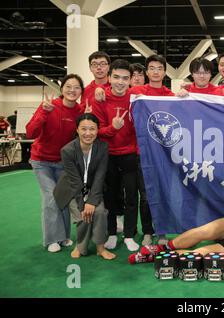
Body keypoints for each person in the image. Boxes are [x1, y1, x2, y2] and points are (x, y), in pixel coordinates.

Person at [26, 74, 84, 252]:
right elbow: (30, 132)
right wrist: (43, 112)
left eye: (76, 87)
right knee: (51, 197)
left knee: (62, 199)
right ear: (61, 89)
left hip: (62, 162)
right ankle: (52, 239)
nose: (72, 90)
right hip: (41, 161)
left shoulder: (80, 111)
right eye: (68, 86)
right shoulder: (49, 106)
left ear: (81, 91)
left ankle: (64, 236)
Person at [91, 59, 140, 251]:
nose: (120, 82)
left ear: (130, 80)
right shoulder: (100, 99)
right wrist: (114, 128)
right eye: (117, 77)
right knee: (110, 197)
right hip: (108, 156)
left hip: (129, 155)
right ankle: (111, 233)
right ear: (109, 78)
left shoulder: (136, 97)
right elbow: (97, 131)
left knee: (131, 198)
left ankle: (129, 235)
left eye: (125, 78)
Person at [53, 113, 115, 260]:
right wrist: (84, 204)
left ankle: (100, 247)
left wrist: (92, 202)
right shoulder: (67, 150)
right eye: (84, 129)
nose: (88, 133)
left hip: (94, 188)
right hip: (72, 190)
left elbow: (100, 176)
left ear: (98, 130)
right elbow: (75, 181)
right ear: (77, 130)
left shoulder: (103, 147)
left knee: (99, 212)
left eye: (92, 129)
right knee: (83, 215)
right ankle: (80, 246)